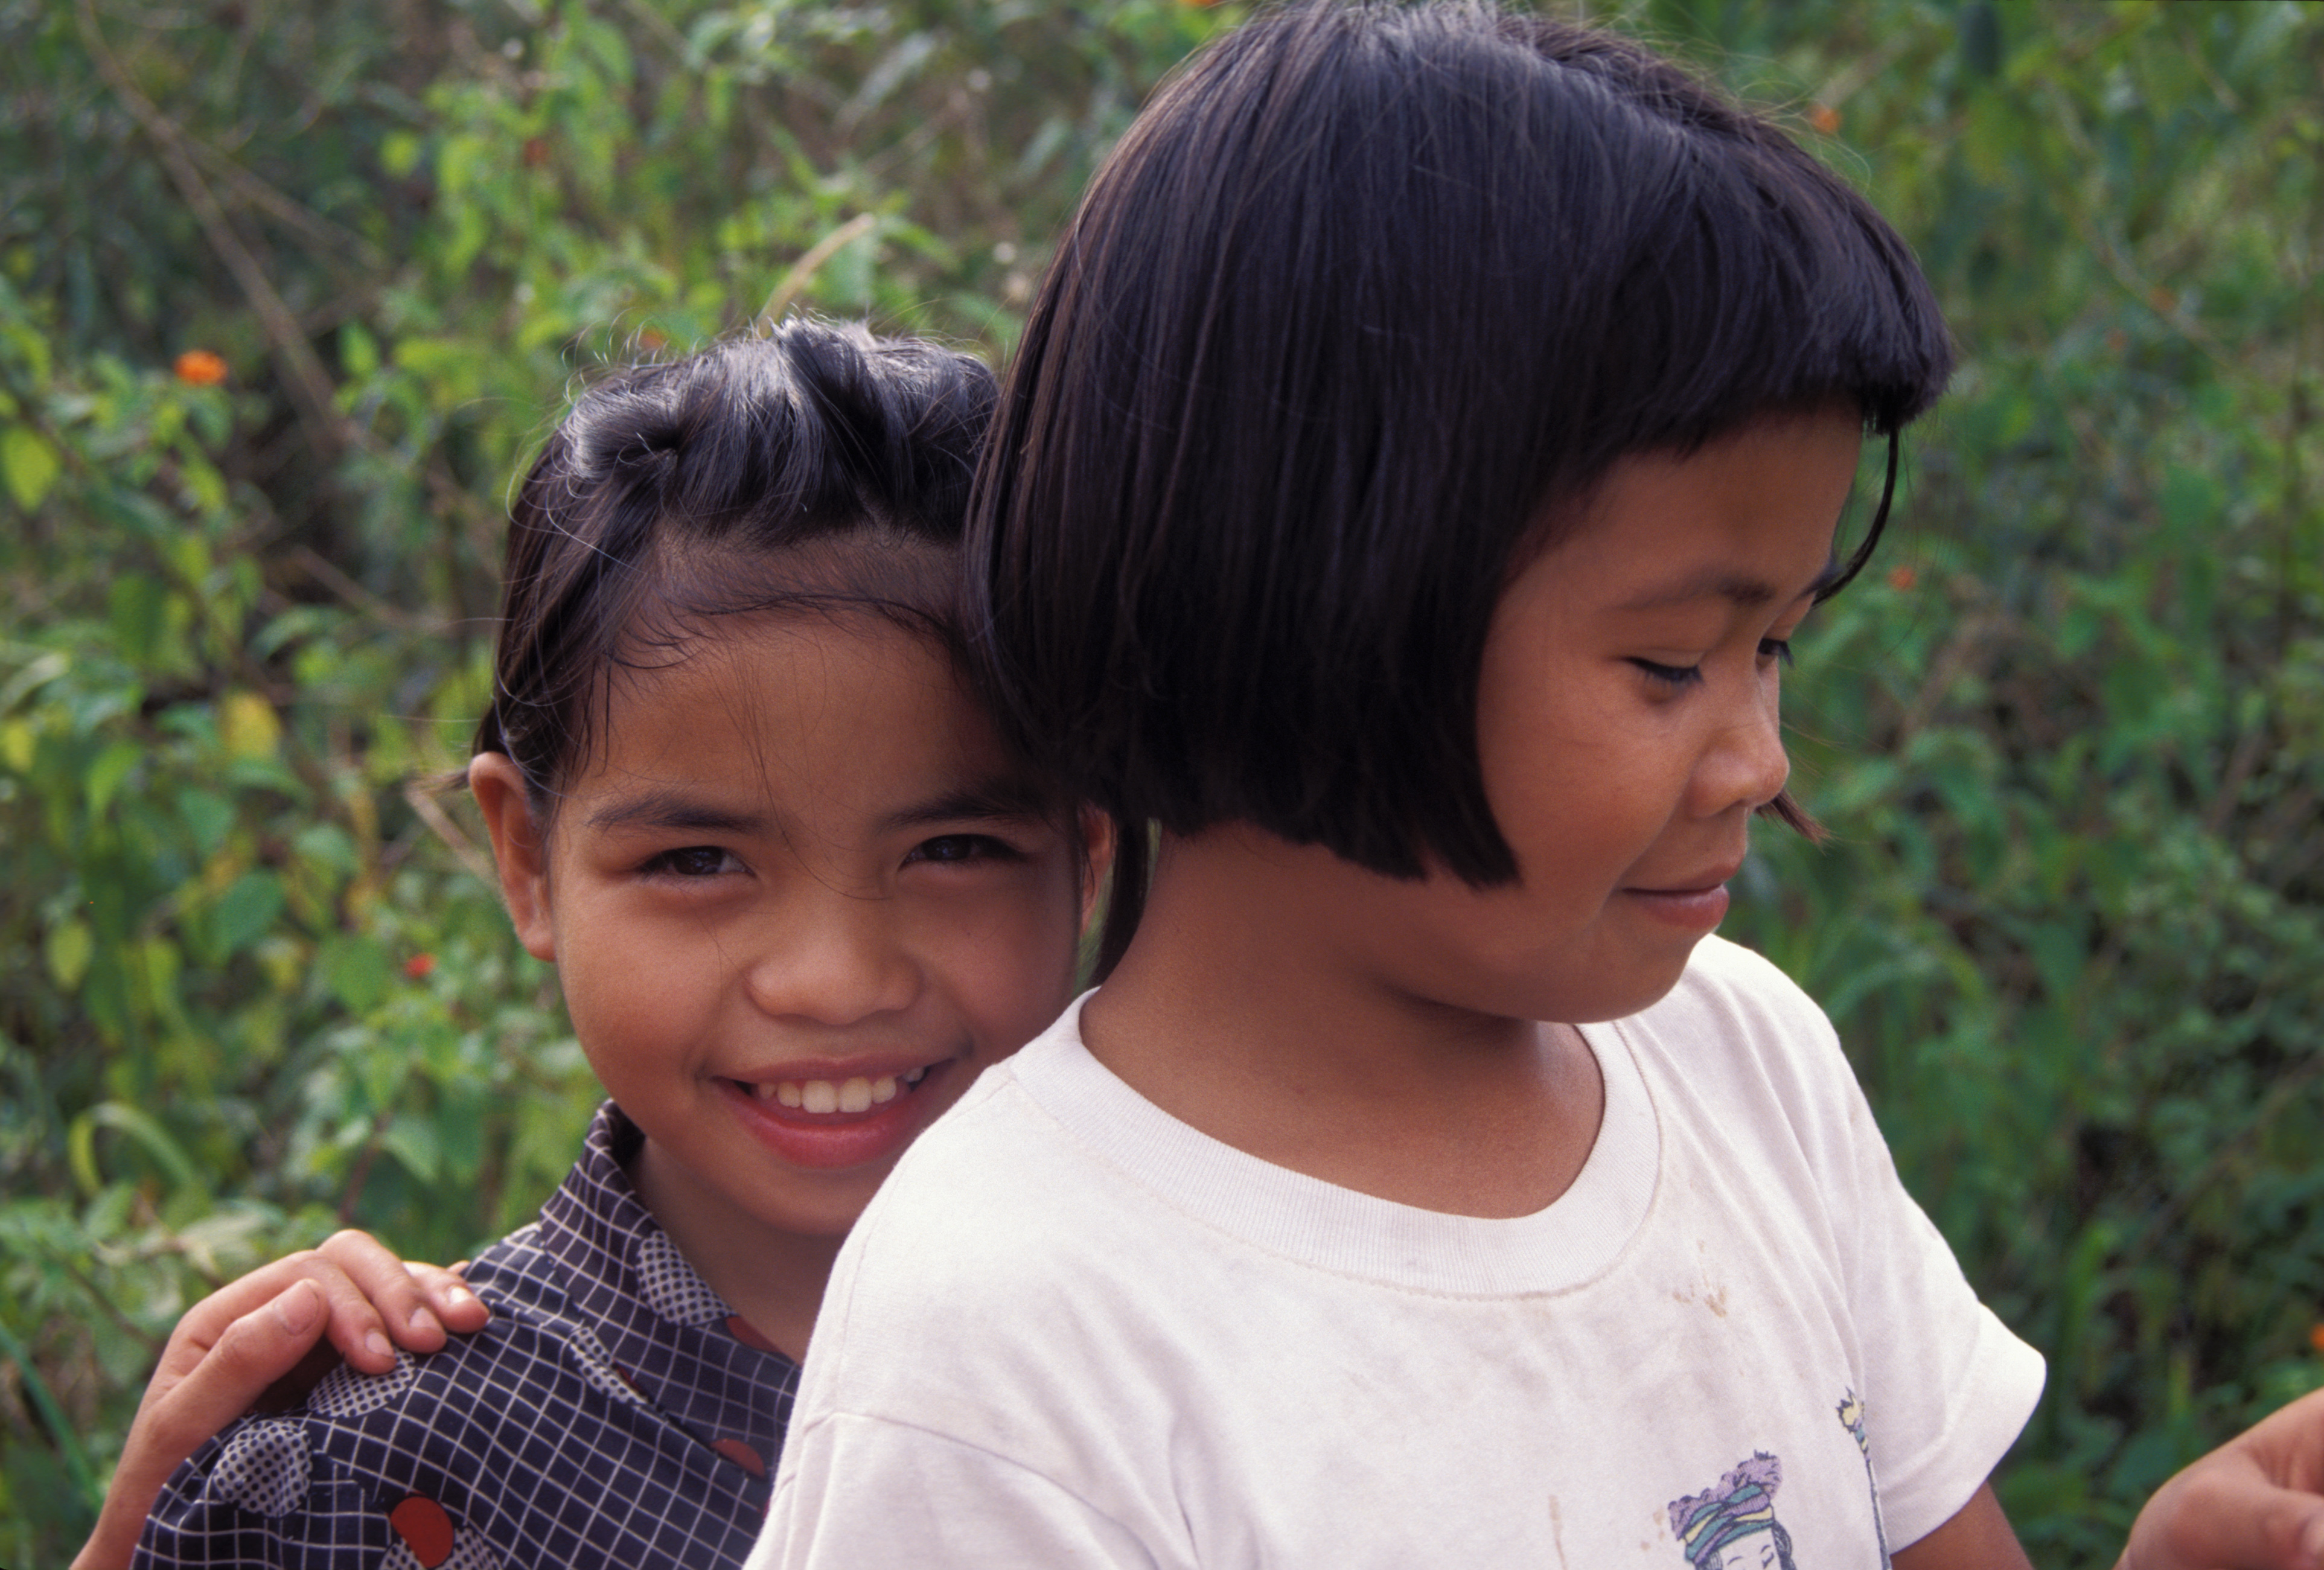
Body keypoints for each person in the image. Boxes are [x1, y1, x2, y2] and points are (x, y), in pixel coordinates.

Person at [749, 7, 2324, 1568]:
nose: (1760, 758)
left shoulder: (1742, 1066)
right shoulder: (1011, 1348)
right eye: (1668, 666)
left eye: (1771, 648)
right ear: (1312, 596)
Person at [104, 319, 1111, 1570]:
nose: (834, 980)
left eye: (953, 847)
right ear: (525, 858)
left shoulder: (1213, 1360)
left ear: (1090, 845)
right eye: (697, 861)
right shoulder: (354, 1475)